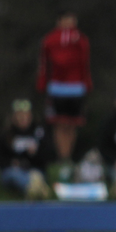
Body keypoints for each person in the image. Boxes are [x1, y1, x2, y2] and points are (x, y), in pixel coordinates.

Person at [35, 10, 92, 177]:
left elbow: (85, 63)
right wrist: (43, 82)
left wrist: (87, 83)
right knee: (59, 123)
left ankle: (68, 157)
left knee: (72, 124)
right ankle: (62, 157)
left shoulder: (81, 40)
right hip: (58, 87)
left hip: (76, 88)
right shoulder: (50, 40)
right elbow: (44, 63)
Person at [0, 99, 52, 200]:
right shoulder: (6, 134)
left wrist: (35, 153)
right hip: (12, 171)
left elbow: (47, 158)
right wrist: (12, 162)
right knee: (14, 174)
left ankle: (34, 189)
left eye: (25, 115)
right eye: (19, 115)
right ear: (14, 117)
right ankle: (35, 189)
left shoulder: (39, 133)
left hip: (33, 169)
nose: (23, 118)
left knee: (36, 175)